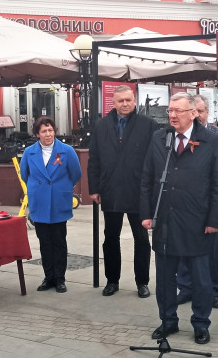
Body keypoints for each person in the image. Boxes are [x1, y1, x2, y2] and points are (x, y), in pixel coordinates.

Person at [140, 93, 218, 344]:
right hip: (165, 219)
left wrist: (214, 220)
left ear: (193, 113)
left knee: (200, 279)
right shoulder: (159, 138)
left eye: (178, 111)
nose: (173, 115)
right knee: (165, 278)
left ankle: (201, 323)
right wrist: (146, 214)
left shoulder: (210, 141)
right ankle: (168, 321)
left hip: (197, 221)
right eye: (170, 111)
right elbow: (147, 178)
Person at [88, 85, 159, 298]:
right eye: (121, 101)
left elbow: (156, 159)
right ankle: (112, 280)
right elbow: (94, 159)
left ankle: (142, 282)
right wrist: (94, 188)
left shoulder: (148, 125)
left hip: (139, 191)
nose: (125, 104)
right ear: (113, 102)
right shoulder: (101, 126)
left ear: (134, 100)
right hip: (111, 190)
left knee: (142, 239)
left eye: (128, 100)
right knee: (110, 237)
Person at [176, 94, 218, 309]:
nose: (198, 115)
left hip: (210, 203)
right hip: (183, 204)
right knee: (182, 245)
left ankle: (214, 290)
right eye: (195, 111)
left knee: (211, 248)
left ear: (207, 112)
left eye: (201, 111)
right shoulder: (177, 135)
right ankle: (186, 287)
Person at [20, 116, 82, 293]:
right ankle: (49, 277)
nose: (48, 134)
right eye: (44, 131)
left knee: (59, 241)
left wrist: (61, 187)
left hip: (58, 201)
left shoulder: (67, 151)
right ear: (37, 134)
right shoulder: (29, 153)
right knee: (44, 242)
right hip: (39, 201)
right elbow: (25, 174)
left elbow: (75, 173)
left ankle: (60, 278)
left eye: (50, 130)